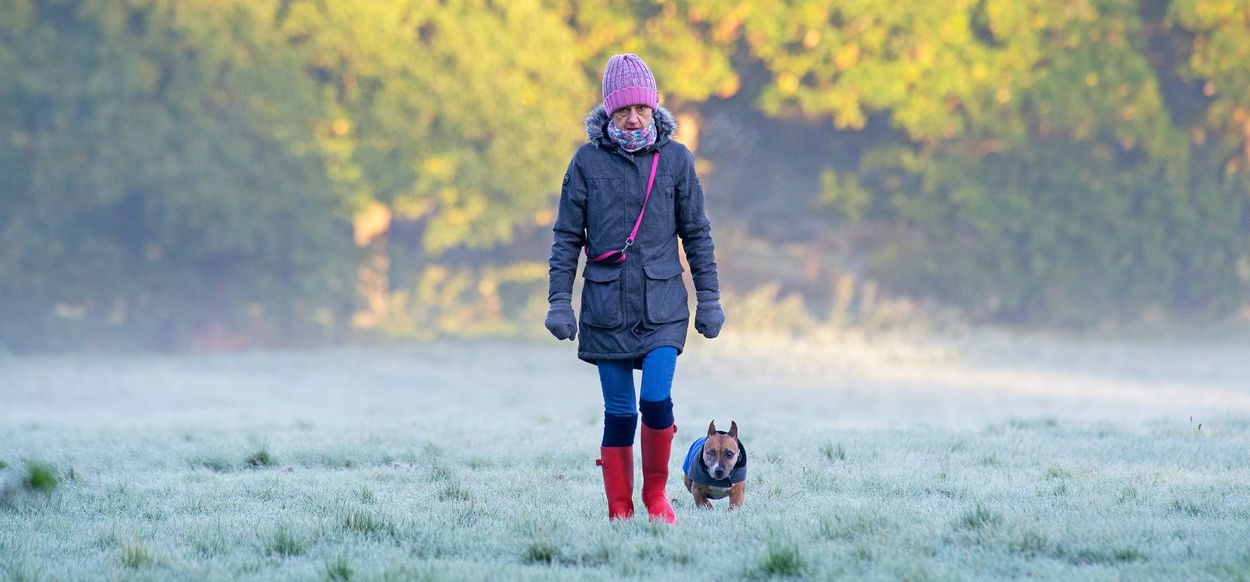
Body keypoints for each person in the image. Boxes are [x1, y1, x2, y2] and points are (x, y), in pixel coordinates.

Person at [545, 53, 725, 524]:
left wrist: (710, 299)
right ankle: (620, 508)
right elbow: (567, 237)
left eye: (640, 107)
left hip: (664, 307)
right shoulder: (585, 162)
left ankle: (656, 497)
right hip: (605, 309)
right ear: (608, 111)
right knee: (621, 411)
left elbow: (698, 235)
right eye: (623, 109)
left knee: (655, 400)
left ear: (654, 108)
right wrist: (559, 301)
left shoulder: (677, 160)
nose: (632, 116)